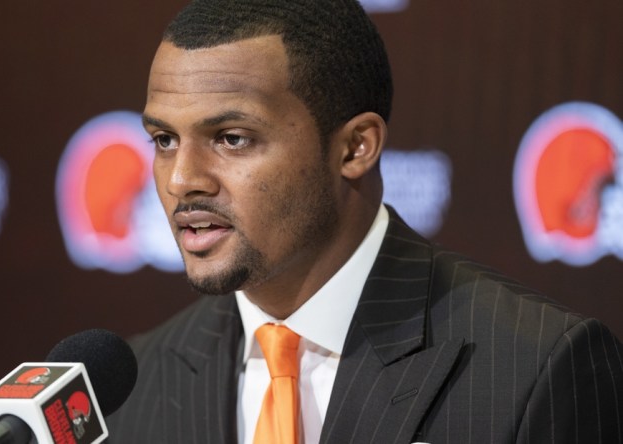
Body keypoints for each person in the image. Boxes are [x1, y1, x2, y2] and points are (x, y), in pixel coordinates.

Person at [107, 0, 623, 442]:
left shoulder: (537, 366)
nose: (181, 180)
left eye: (232, 138)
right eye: (165, 140)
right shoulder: (133, 385)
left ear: (356, 147)